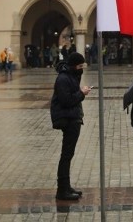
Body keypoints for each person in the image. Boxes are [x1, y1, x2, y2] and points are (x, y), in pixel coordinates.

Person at [50, 52, 91, 200]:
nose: (81, 69)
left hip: (72, 118)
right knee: (66, 155)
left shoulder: (70, 76)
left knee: (68, 155)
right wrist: (82, 93)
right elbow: (66, 100)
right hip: (68, 119)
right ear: (73, 65)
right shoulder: (63, 78)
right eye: (80, 66)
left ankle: (66, 186)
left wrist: (80, 91)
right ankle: (62, 190)